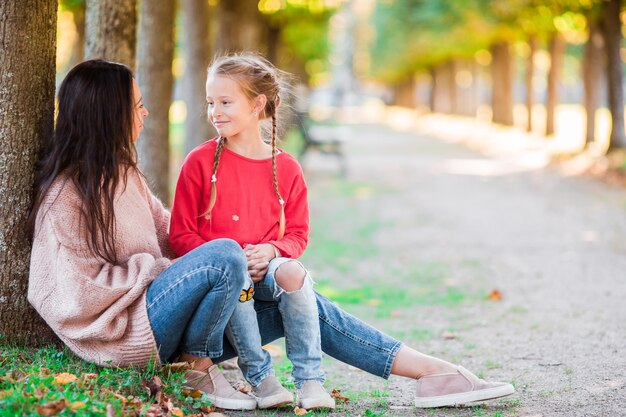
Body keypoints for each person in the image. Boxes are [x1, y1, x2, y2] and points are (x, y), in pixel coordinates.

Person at [27, 59, 515, 413]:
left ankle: (432, 374)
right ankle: (198, 371)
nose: (146, 113)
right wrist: (180, 270)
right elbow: (69, 291)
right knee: (225, 255)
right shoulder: (66, 194)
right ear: (107, 112)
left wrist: (256, 259)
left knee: (299, 294)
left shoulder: (123, 174)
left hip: (186, 321)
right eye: (136, 105)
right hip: (131, 332)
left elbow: (173, 241)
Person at [169, 54, 333, 410]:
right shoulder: (198, 162)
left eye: (226, 102)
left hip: (268, 272)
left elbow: (299, 236)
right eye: (211, 102)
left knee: (294, 271)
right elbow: (180, 236)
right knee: (237, 272)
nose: (215, 111)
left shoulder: (286, 167)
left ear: (257, 104)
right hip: (225, 284)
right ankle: (261, 379)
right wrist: (229, 258)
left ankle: (309, 381)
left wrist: (272, 251)